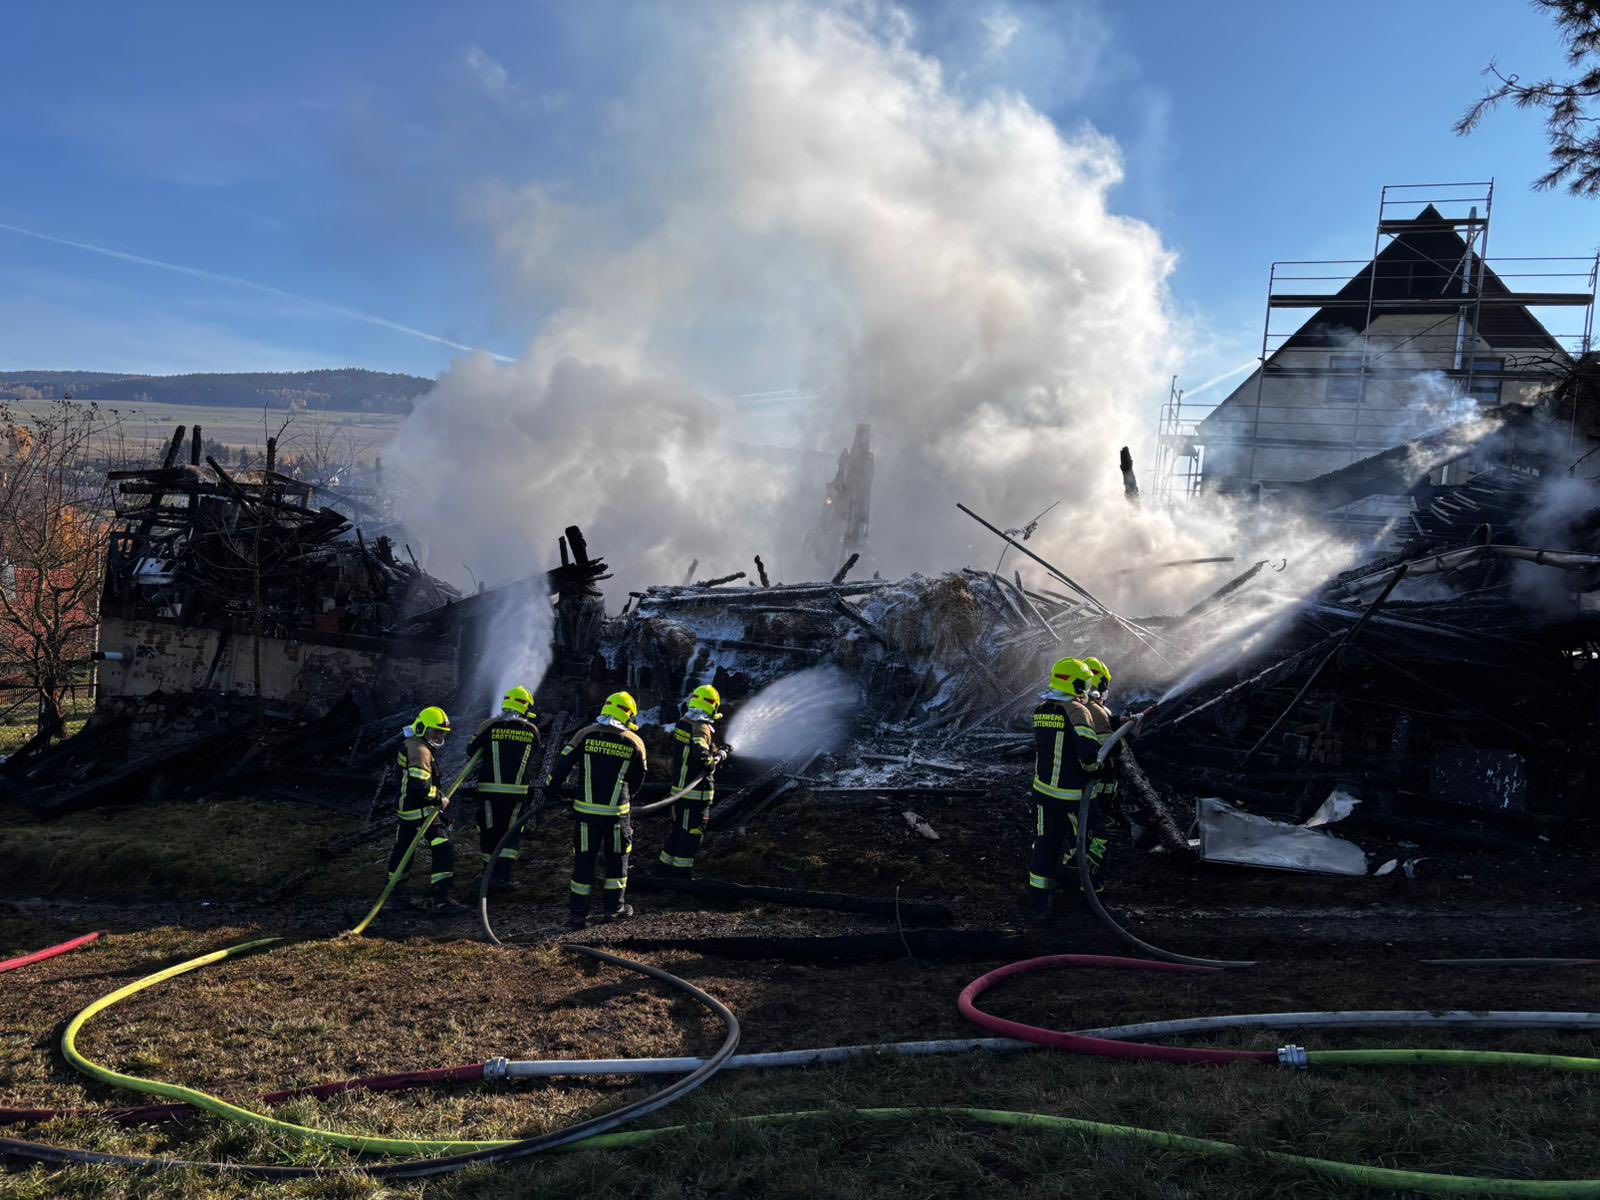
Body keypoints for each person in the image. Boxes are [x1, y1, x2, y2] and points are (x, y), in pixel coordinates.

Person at [546, 691, 647, 929]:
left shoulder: (585, 734)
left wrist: (552, 792)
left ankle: (577, 916)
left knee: (583, 862)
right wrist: (627, 796)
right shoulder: (634, 741)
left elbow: (561, 767)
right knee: (617, 860)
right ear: (629, 715)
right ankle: (614, 909)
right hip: (616, 815)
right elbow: (638, 779)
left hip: (585, 816)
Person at [1024, 658, 1105, 922]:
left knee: (1045, 846)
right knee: (1094, 843)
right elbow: (1087, 752)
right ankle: (1090, 902)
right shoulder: (1078, 711)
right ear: (1080, 684)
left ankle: (1037, 905)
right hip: (1073, 796)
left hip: (1043, 794)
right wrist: (1097, 768)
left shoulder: (1042, 710)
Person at [388, 705, 466, 915]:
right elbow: (419, 786)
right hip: (419, 811)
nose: (439, 736)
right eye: (435, 731)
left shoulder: (413, 744)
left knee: (404, 849)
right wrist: (439, 798)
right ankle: (441, 899)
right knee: (444, 846)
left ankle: (396, 894)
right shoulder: (420, 750)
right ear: (422, 727)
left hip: (407, 810)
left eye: (442, 732)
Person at [465, 685, 541, 893]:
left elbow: (471, 749)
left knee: (490, 832)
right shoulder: (532, 731)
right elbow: (533, 755)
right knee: (511, 833)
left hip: (489, 792)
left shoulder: (489, 725)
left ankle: (487, 877)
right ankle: (504, 878)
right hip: (517, 794)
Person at [657, 684, 729, 878]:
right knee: (691, 835)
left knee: (677, 832)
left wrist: (715, 752)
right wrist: (713, 760)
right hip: (695, 796)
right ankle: (680, 877)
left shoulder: (684, 721)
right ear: (712, 706)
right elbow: (700, 753)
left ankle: (663, 871)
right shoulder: (702, 728)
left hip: (679, 791)